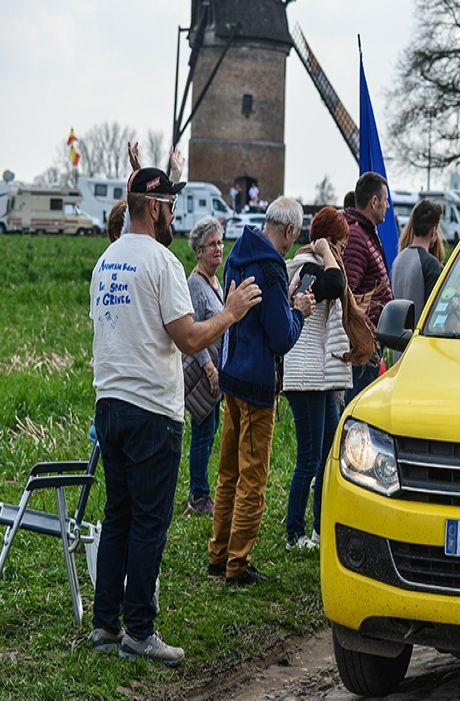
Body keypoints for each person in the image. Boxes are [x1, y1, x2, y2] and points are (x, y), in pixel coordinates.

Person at [90, 166, 261, 664]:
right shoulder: (163, 263)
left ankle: (105, 625)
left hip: (109, 403)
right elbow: (187, 338)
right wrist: (230, 313)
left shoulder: (106, 261)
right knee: (149, 522)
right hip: (151, 410)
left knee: (118, 515)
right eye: (171, 205)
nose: (175, 214)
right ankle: (140, 631)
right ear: (154, 207)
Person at [208, 197, 315, 587]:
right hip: (256, 383)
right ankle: (238, 564)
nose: (293, 242)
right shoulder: (271, 268)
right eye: (294, 235)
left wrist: (284, 301)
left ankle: (218, 554)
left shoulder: (239, 254)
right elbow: (282, 337)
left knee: (228, 472)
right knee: (252, 477)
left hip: (232, 374)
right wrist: (298, 310)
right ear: (288, 230)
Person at [281, 206, 352, 550]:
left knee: (327, 455)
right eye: (341, 244)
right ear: (327, 240)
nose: (342, 252)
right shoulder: (308, 269)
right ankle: (294, 533)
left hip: (320, 377)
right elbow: (336, 285)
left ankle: (320, 529)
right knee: (309, 459)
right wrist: (324, 250)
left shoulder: (316, 266)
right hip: (306, 377)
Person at [183, 217, 227, 516]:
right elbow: (193, 331)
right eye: (212, 244)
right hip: (202, 371)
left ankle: (201, 491)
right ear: (199, 251)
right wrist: (210, 369)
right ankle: (198, 495)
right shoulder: (195, 285)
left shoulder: (215, 282)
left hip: (215, 368)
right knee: (202, 433)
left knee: (210, 431)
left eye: (220, 243)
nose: (218, 249)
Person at [340, 174, 394, 402]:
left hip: (368, 345)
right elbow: (347, 294)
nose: (387, 206)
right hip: (362, 348)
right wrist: (369, 334)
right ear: (374, 202)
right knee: (357, 408)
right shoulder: (357, 236)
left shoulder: (366, 234)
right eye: (385, 200)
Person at [391, 199, 445, 320]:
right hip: (417, 331)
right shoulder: (431, 264)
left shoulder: (397, 260)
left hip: (396, 330)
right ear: (434, 231)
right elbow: (433, 312)